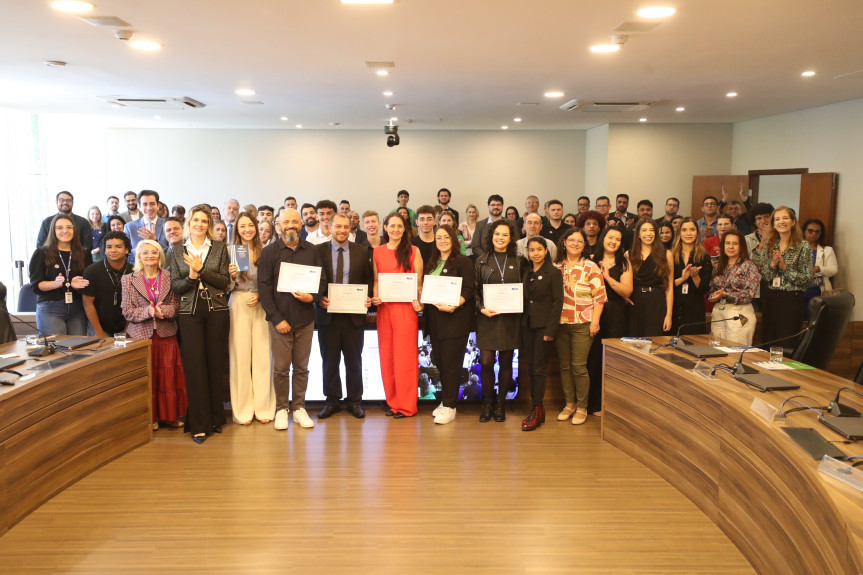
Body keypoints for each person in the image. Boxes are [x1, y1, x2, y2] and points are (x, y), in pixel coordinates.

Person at [165, 204, 231, 444]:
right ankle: (199, 424)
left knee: (215, 364)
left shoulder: (220, 247)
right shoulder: (176, 250)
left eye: (204, 221)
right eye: (196, 221)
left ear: (209, 225)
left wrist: (201, 269)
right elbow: (175, 286)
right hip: (189, 311)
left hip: (217, 310)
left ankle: (216, 418)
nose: (200, 225)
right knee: (195, 366)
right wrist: (192, 277)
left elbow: (224, 282)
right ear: (188, 223)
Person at [258, 208, 325, 431]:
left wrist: (312, 297)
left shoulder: (313, 251)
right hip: (280, 321)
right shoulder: (268, 253)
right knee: (280, 368)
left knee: (302, 367)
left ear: (301, 224)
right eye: (286, 222)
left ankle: (299, 408)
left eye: (295, 222)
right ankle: (281, 409)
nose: (291, 226)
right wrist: (276, 319)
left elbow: (322, 283)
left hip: (305, 319)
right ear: (278, 224)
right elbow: (264, 288)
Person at [121, 239, 187, 430]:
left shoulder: (169, 276)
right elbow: (126, 311)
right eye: (145, 252)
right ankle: (148, 418)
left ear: (160, 255)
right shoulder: (128, 279)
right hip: (140, 336)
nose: (150, 255)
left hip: (166, 334)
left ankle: (168, 416)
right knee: (147, 378)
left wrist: (163, 311)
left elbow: (176, 306)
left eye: (154, 252)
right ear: (138, 256)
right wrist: (148, 312)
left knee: (168, 379)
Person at [315, 214, 373, 420]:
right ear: (329, 227)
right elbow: (314, 281)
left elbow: (368, 281)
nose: (341, 230)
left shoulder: (362, 251)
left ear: (351, 229)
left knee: (354, 361)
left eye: (345, 227)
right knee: (329, 361)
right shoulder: (318, 251)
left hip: (353, 316)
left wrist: (368, 298)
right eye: (338, 226)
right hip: (327, 316)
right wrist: (319, 298)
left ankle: (355, 401)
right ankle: (332, 401)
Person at [372, 212, 423, 419]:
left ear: (405, 229)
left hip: (406, 311)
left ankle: (407, 406)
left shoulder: (414, 251)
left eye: (400, 226)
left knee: (405, 359)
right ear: (385, 228)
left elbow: (418, 283)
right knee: (387, 357)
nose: (395, 230)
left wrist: (419, 302)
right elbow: (376, 282)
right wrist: (376, 298)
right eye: (392, 226)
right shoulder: (377, 252)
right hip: (385, 311)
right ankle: (393, 403)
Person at [423, 224, 475, 425]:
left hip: (455, 320)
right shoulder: (433, 262)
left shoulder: (463, 262)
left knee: (452, 366)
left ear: (454, 240)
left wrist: (454, 306)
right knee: (442, 365)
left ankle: (451, 406)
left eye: (446, 237)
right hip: (435, 322)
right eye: (438, 238)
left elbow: (469, 291)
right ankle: (445, 402)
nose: (442, 241)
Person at [554, 227, 606, 425]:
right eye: (571, 240)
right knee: (565, 366)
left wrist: (595, 322)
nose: (575, 243)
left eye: (580, 241)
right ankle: (570, 404)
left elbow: (600, 298)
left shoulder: (591, 267)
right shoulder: (556, 265)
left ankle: (582, 407)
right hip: (560, 323)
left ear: (584, 245)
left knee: (579, 367)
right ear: (564, 242)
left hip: (583, 323)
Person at [227, 211, 275, 426]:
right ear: (236, 229)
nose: (247, 229)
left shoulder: (266, 251)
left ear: (256, 227)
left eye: (251, 225)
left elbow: (272, 282)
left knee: (264, 357)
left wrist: (261, 296)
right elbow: (225, 287)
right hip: (238, 303)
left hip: (262, 305)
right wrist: (230, 277)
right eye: (242, 226)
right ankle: (243, 410)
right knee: (240, 357)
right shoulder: (231, 252)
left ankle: (264, 408)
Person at [475, 219, 524, 423]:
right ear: (491, 236)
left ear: (511, 238)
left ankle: (500, 403)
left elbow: (524, 289)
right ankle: (488, 402)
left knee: (505, 362)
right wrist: (481, 309)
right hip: (488, 318)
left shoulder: (520, 261)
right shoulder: (481, 261)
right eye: (497, 234)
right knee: (486, 362)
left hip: (510, 320)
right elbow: (475, 291)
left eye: (505, 234)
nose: (500, 238)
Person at [587, 226, 633, 415]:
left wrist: (606, 277)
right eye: (610, 237)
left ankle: (611, 405)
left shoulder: (624, 262)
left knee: (612, 360)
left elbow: (627, 291)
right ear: (603, 238)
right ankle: (592, 404)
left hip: (616, 314)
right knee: (593, 359)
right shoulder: (590, 260)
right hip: (593, 313)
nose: (613, 241)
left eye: (618, 239)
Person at [520, 236, 563, 431]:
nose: (535, 253)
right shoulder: (526, 271)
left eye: (539, 249)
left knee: (538, 367)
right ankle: (538, 407)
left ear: (546, 251)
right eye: (531, 250)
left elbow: (557, 303)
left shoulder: (553, 272)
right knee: (531, 367)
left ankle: (537, 407)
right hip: (526, 325)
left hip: (544, 327)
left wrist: (550, 330)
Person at [754, 206, 813, 347]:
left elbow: (807, 278)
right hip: (771, 298)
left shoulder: (803, 246)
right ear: (773, 224)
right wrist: (773, 264)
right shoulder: (769, 244)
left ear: (793, 222)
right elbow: (765, 275)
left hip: (791, 300)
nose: (782, 221)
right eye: (777, 219)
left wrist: (785, 267)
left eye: (785, 218)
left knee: (785, 344)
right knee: (768, 342)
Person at [29, 214, 92, 335]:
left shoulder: (84, 253)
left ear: (74, 230)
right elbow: (36, 286)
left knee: (78, 349)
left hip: (77, 307)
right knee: (57, 349)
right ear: (53, 230)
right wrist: (56, 284)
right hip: (51, 308)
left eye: (69, 227)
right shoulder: (42, 253)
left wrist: (80, 284)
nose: (65, 231)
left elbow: (89, 281)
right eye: (59, 228)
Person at [707, 230, 760, 345]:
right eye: (727, 243)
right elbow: (710, 288)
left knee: (735, 353)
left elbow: (749, 294)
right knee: (717, 350)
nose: (731, 247)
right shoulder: (717, 265)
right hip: (718, 311)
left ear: (742, 246)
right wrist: (713, 296)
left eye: (735, 244)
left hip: (739, 312)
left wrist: (726, 294)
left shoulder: (749, 265)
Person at [626, 218, 673, 336]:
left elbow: (670, 287)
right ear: (638, 234)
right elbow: (624, 282)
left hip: (657, 302)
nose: (648, 233)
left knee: (654, 342)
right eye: (644, 230)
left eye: (651, 230)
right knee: (634, 343)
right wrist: (624, 297)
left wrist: (669, 315)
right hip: (635, 303)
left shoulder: (667, 254)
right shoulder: (629, 254)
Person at [82, 231, 133, 338]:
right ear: (104, 250)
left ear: (127, 250)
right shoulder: (92, 271)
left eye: (118, 246)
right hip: (99, 325)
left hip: (128, 325)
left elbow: (136, 304)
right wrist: (98, 331)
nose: (113, 250)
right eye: (109, 247)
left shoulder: (134, 271)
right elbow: (88, 304)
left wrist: (127, 330)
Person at [671, 219, 713, 335]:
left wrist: (695, 277)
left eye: (692, 230)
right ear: (679, 233)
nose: (688, 233)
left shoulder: (704, 256)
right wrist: (682, 279)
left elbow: (704, 289)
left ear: (697, 233)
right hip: (674, 307)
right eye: (684, 230)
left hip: (694, 308)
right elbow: (665, 284)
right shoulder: (670, 254)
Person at [801, 218, 838, 314]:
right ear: (804, 231)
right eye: (810, 231)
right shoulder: (796, 249)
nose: (813, 234)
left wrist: (818, 268)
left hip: (817, 291)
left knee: (815, 320)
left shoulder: (827, 250)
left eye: (817, 232)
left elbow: (834, 270)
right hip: (799, 291)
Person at [124, 190, 169, 262]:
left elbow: (171, 252)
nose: (149, 208)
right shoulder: (129, 227)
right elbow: (127, 254)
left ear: (157, 206)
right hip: (138, 270)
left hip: (163, 269)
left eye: (152, 204)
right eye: (145, 204)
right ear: (139, 207)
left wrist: (155, 241)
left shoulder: (167, 225)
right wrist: (143, 247)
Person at [472, 194, 504, 260]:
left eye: (498, 204)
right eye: (493, 205)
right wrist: (487, 258)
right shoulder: (480, 225)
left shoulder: (511, 223)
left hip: (506, 261)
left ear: (502, 206)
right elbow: (475, 246)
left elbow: (515, 245)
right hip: (485, 262)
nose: (496, 207)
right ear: (488, 206)